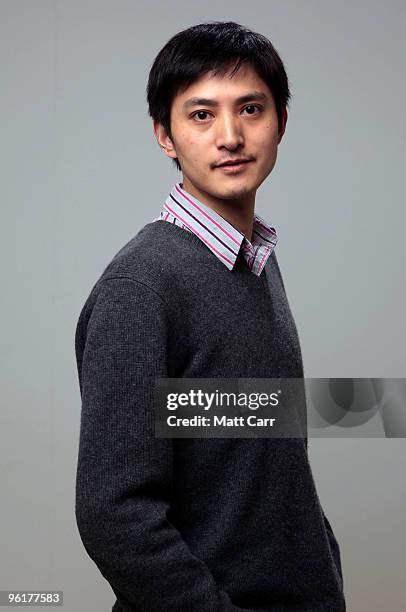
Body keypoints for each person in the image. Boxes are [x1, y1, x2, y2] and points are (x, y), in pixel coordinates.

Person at [74, 21, 346, 611]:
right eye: (201, 115)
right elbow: (115, 514)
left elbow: (265, 457)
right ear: (164, 136)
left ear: (281, 122)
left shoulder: (257, 261)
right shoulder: (140, 287)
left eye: (251, 108)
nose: (230, 135)